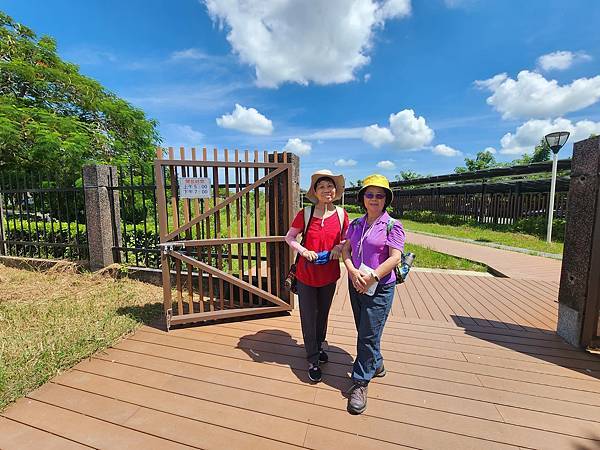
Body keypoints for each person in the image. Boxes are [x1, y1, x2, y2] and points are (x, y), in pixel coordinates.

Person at [341, 174, 405, 414]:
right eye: (370, 194)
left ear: (386, 199)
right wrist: (351, 271)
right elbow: (346, 250)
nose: (374, 199)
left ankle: (360, 382)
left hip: (379, 286)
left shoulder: (392, 225)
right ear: (363, 198)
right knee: (365, 329)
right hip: (356, 282)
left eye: (380, 195)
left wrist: (373, 277)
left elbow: (395, 257)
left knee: (368, 334)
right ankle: (376, 363)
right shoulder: (355, 224)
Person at [285, 169, 349, 382]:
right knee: (308, 316)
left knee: (322, 315)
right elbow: (290, 237)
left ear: (335, 190)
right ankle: (312, 358)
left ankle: (319, 345)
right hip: (306, 274)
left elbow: (346, 239)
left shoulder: (341, 214)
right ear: (315, 191)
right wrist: (303, 251)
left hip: (329, 274)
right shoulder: (306, 213)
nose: (326, 190)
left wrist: (339, 248)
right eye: (321, 186)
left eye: (329, 186)